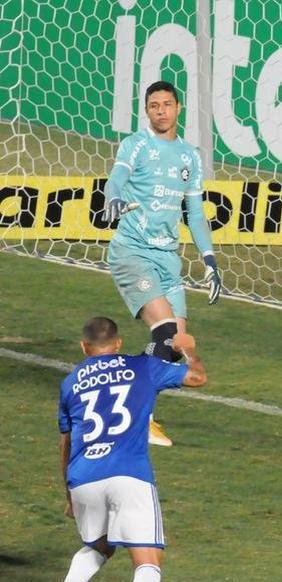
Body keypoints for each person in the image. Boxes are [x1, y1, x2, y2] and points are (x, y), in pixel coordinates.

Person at [47, 316, 207, 582]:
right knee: (147, 560)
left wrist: (68, 495)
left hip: (83, 476)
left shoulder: (70, 383)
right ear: (118, 343)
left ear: (83, 348)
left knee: (99, 545)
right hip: (128, 475)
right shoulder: (143, 367)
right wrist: (189, 351)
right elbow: (197, 378)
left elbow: (65, 442)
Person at [102, 80, 221, 447]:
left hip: (168, 259)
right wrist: (114, 200)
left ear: (178, 108)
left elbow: (196, 214)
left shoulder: (189, 156)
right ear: (147, 110)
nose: (161, 111)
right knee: (166, 332)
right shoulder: (136, 145)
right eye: (154, 105)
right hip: (132, 252)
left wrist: (210, 258)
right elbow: (116, 180)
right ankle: (141, 420)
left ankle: (128, 403)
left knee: (171, 346)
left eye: (167, 104)